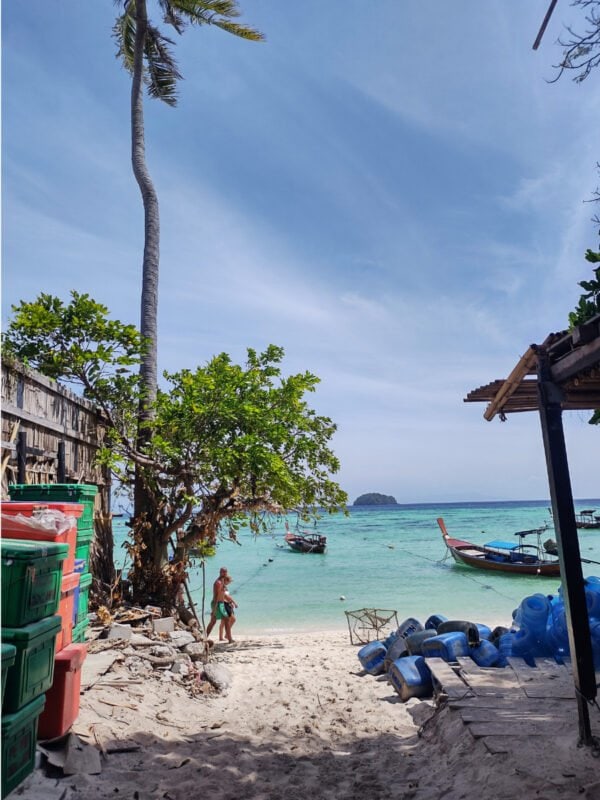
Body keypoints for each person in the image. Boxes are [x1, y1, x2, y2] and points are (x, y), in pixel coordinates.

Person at [205, 566, 228, 639]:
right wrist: (214, 609)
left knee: (220, 620)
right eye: (222, 572)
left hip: (220, 603)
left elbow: (222, 595)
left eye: (225, 572)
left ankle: (205, 637)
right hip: (216, 603)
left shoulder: (222, 581)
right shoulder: (218, 582)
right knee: (213, 621)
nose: (224, 573)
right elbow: (216, 596)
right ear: (220, 572)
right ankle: (205, 637)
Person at [219, 575, 238, 642]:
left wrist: (231, 603)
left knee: (223, 621)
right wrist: (234, 602)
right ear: (226, 581)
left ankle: (221, 637)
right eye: (229, 581)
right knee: (232, 619)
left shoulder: (223, 586)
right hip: (225, 604)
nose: (230, 583)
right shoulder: (223, 587)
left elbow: (226, 596)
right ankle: (227, 635)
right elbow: (226, 596)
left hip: (225, 604)